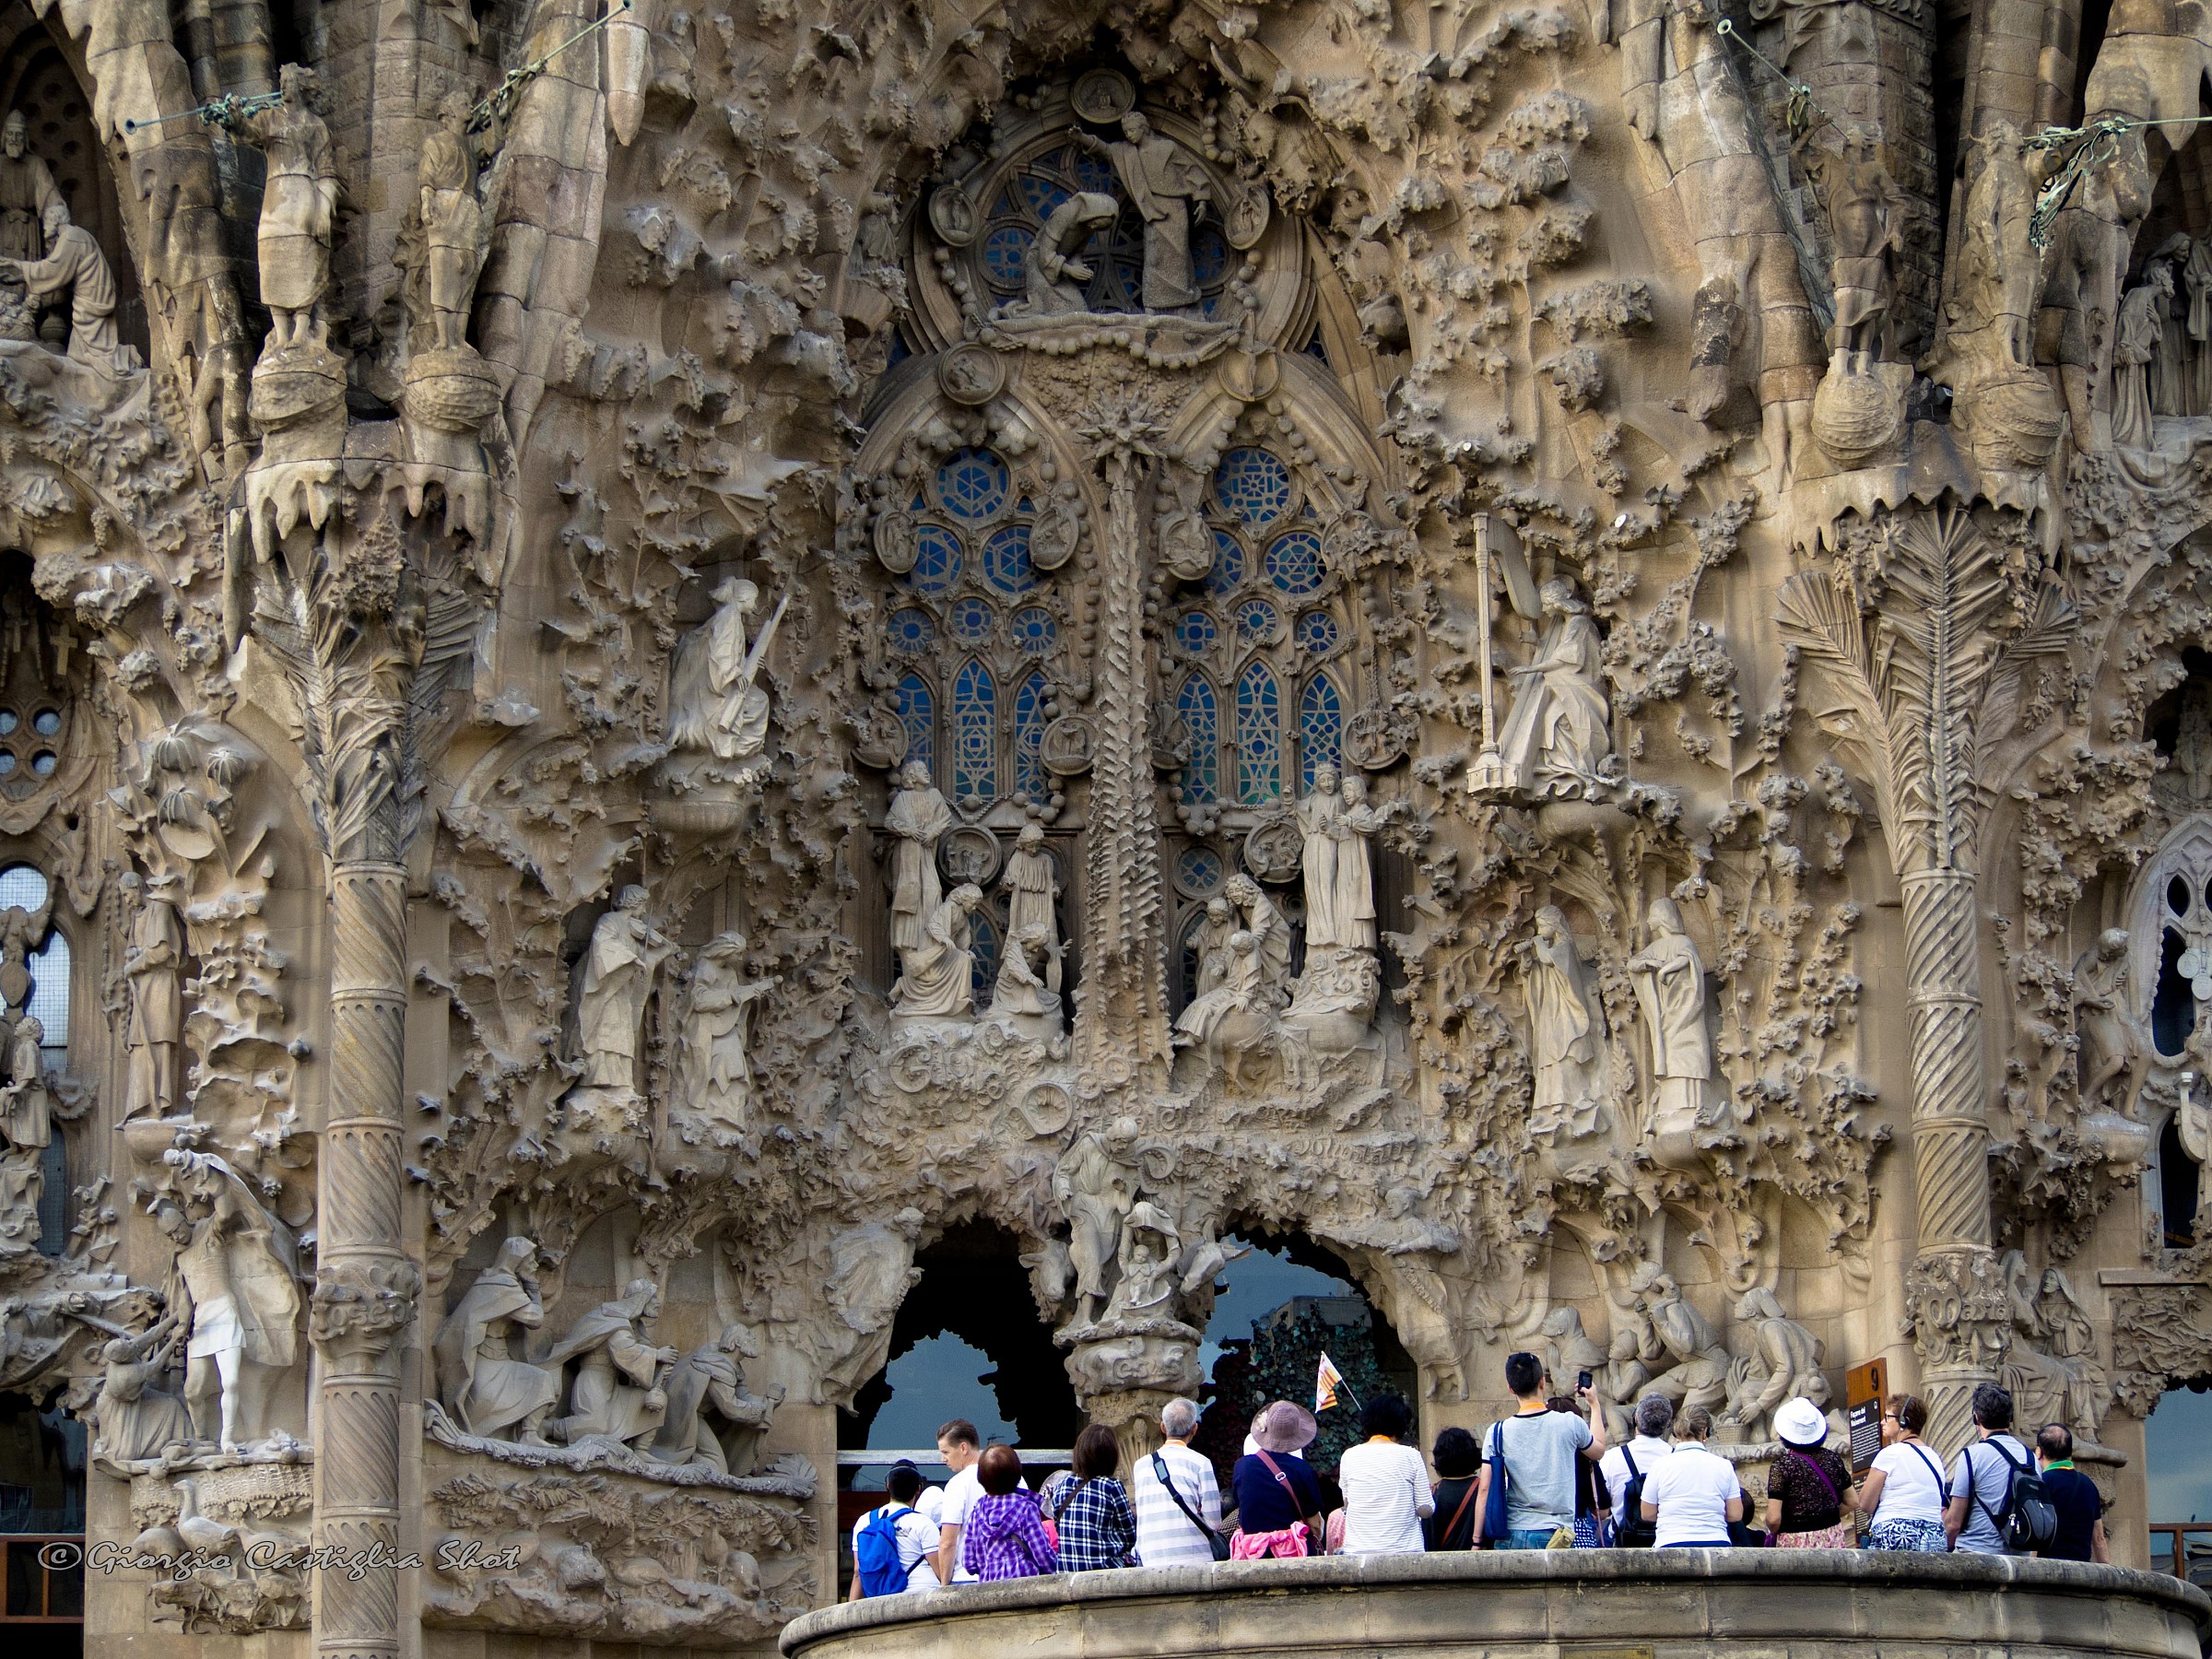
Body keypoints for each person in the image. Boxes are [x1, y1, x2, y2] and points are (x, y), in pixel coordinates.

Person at [1473, 1352, 1606, 1548]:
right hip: (1556, 1534)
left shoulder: (1497, 1432)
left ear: (1511, 1389)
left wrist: (1477, 1540)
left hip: (1511, 1534)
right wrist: (1594, 1404)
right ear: (1542, 1382)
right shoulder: (1569, 1423)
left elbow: (1484, 1489)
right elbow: (1598, 1450)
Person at [1130, 1396, 1222, 1565]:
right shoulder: (1201, 1463)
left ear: (1163, 1427)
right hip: (1195, 1559)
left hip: (1151, 1559)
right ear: (1194, 1429)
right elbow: (1214, 1523)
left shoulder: (1140, 1466)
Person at [1338, 1393, 1433, 1554]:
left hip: (1358, 1552)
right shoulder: (1411, 1455)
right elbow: (1425, 1509)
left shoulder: (1349, 1456)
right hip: (1405, 1552)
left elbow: (1347, 1504)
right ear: (1401, 1426)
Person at [1230, 1400, 1326, 1558]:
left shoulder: (1242, 1466)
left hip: (1252, 1556)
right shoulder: (1302, 1469)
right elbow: (1314, 1524)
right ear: (1296, 1435)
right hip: (1292, 1556)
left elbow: (1241, 1504)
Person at [1946, 1382, 2033, 1556]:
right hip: (2019, 1557)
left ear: (1975, 1418)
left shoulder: (1972, 1456)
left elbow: (1953, 1523)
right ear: (2011, 1418)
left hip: (1976, 1552)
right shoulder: (2030, 1457)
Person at [1637, 1405, 1741, 1547]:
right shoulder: (1724, 1466)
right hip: (1716, 1542)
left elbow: (1647, 1514)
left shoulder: (1659, 1466)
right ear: (1705, 1431)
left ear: (1675, 1431)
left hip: (1671, 1541)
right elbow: (1735, 1514)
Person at [1856, 1393, 1949, 1552]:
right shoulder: (1934, 1457)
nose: (1882, 1422)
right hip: (1933, 1537)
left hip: (1895, 1534)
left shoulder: (1890, 1454)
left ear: (1903, 1421)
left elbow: (1865, 1504)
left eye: (1887, 1417)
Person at [1040, 1423, 1138, 1571]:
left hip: (1068, 1572)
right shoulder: (1111, 1486)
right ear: (1112, 1457)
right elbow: (1129, 1536)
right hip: (1104, 1572)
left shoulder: (1064, 1484)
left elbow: (1058, 1526)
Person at [1763, 1395, 1857, 1547]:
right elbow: (1853, 1501)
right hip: (1831, 1538)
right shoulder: (1832, 1459)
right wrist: (1824, 1520)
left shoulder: (1782, 1466)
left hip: (1795, 1542)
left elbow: (1774, 1519)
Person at [960, 1446, 1057, 1582]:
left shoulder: (977, 1512)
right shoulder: (1026, 1508)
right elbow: (1042, 1555)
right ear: (1017, 1474)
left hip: (988, 1590)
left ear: (981, 1479)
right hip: (1025, 1587)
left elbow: (969, 1563)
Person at [850, 1462, 942, 1598]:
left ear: (888, 1486)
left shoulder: (865, 1521)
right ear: (918, 1489)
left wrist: (852, 1610)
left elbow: (858, 1571)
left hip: (881, 1598)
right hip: (922, 1593)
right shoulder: (924, 1523)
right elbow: (940, 1570)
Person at [1599, 1394, 1676, 1543]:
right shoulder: (1676, 1458)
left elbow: (1602, 1509)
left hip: (1624, 1539)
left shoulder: (1611, 1458)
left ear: (1635, 1419)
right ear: (1667, 1424)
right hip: (1664, 1538)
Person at [2034, 1424, 2109, 1563]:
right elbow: (2099, 1538)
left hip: (2047, 1570)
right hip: (2081, 1572)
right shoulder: (2089, 1485)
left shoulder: (2040, 1483)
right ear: (2070, 1452)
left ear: (2039, 1452)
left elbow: (2035, 1535)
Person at [934, 1418, 986, 1584]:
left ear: (963, 1447)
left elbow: (948, 1542)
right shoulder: (1015, 1478)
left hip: (967, 1577)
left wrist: (944, 1585)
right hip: (1011, 1575)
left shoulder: (957, 1484)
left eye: (946, 1452)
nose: (943, 1459)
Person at [1425, 1427, 1482, 1551]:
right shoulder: (1483, 1490)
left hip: (1442, 1566)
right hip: (1480, 1563)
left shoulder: (1434, 1493)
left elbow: (1429, 1540)